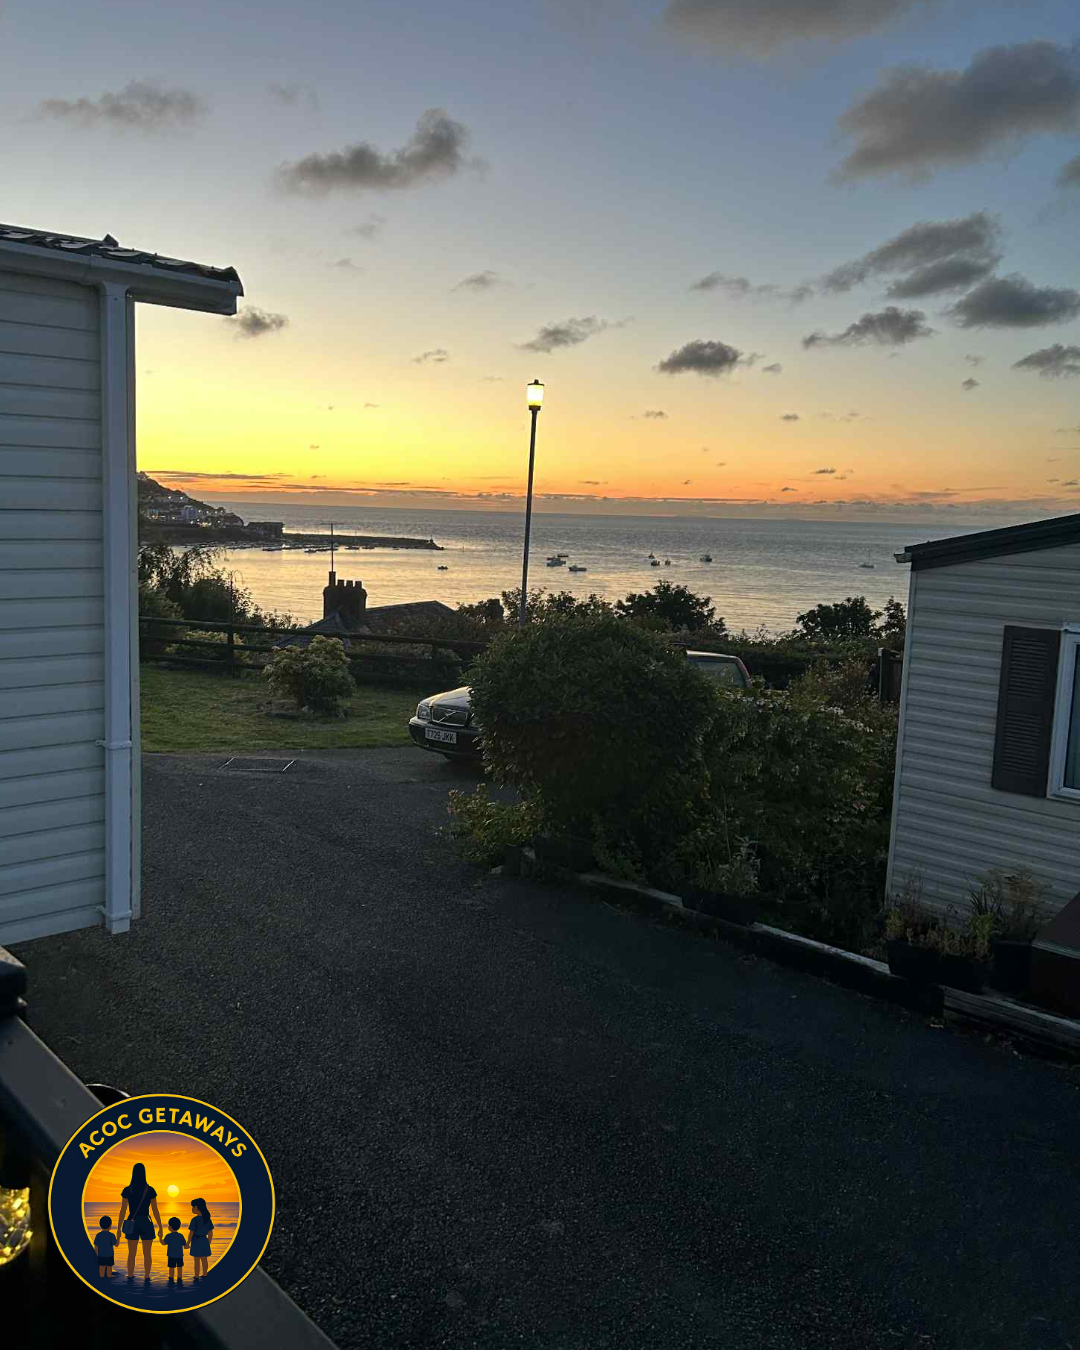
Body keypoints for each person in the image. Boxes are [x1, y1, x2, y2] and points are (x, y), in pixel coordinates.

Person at [116, 1161, 163, 1280]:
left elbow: (123, 1210)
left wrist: (119, 1228)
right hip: (146, 1223)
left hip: (132, 1222)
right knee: (147, 1253)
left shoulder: (128, 1190)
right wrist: (160, 1226)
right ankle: (147, 1277)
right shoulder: (150, 1190)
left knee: (131, 1253)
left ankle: (130, 1276)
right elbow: (155, 1210)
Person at [188, 1197, 214, 1280]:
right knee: (204, 1259)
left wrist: (188, 1243)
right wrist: (208, 1242)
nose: (192, 1209)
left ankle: (196, 1276)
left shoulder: (195, 1219)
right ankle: (205, 1274)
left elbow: (191, 1232)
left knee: (197, 1260)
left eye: (193, 1207)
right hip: (204, 1240)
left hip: (196, 1240)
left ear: (197, 1208)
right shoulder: (207, 1219)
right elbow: (210, 1232)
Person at [160, 1216, 187, 1283]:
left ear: (170, 1227)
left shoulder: (168, 1236)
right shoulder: (181, 1236)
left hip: (171, 1255)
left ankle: (171, 1279)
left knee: (171, 1268)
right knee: (179, 1267)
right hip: (179, 1255)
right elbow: (185, 1244)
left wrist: (160, 1237)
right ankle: (180, 1279)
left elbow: (163, 1243)